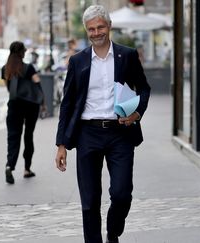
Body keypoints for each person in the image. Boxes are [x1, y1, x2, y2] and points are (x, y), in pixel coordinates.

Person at [54, 5, 151, 243]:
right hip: (87, 133)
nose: (96, 32)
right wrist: (61, 144)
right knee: (89, 201)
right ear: (87, 31)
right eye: (91, 29)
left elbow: (144, 87)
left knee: (121, 194)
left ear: (109, 27)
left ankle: (113, 230)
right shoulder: (77, 61)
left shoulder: (127, 55)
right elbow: (67, 104)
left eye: (100, 27)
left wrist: (137, 113)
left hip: (120, 133)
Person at [2, 41, 44, 184]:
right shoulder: (28, 68)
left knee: (13, 138)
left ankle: (9, 165)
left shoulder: (5, 69)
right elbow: (38, 84)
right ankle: (27, 169)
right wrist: (42, 102)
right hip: (30, 106)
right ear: (22, 52)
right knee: (28, 136)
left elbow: (9, 89)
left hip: (14, 106)